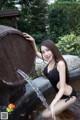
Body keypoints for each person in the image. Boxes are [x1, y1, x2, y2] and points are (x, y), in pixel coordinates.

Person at [23, 33, 77, 120]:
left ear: (53, 49)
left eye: (48, 50)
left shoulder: (60, 63)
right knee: (56, 114)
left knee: (45, 114)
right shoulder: (49, 61)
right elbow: (36, 52)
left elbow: (62, 88)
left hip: (69, 96)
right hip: (60, 95)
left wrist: (52, 103)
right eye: (43, 52)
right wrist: (33, 41)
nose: (46, 54)